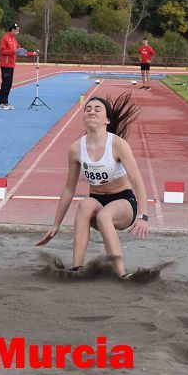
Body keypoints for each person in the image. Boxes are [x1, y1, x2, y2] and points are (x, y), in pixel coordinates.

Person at [37, 94, 148, 278]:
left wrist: (143, 216)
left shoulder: (118, 145)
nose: (91, 111)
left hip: (123, 202)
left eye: (97, 109)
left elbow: (138, 182)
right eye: (88, 109)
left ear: (107, 120)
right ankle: (76, 269)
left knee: (105, 216)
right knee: (84, 204)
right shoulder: (75, 148)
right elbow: (68, 188)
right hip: (97, 200)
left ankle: (121, 274)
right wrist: (56, 224)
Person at [0, 22, 36, 109]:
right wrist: (13, 52)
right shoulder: (5, 38)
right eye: (17, 30)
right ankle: (1, 103)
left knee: (9, 84)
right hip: (5, 65)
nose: (18, 32)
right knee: (5, 83)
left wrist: (32, 53)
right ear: (13, 30)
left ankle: (5, 102)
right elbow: (2, 51)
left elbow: (21, 51)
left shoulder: (14, 39)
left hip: (11, 65)